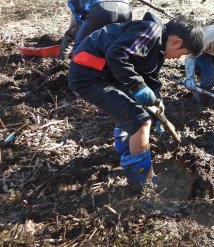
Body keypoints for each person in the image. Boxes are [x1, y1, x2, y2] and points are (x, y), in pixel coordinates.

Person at [68, 13, 203, 189]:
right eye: (182, 54)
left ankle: (128, 153)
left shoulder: (157, 49)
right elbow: (116, 54)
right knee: (140, 121)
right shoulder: (151, 31)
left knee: (134, 113)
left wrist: (156, 102)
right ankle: (143, 182)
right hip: (89, 74)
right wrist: (137, 86)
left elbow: (150, 79)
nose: (178, 58)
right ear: (177, 42)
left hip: (105, 75)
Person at [59, 0, 132, 58]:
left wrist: (78, 33)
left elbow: (77, 23)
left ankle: (73, 66)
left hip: (102, 8)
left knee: (80, 43)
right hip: (126, 8)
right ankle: (117, 64)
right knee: (118, 41)